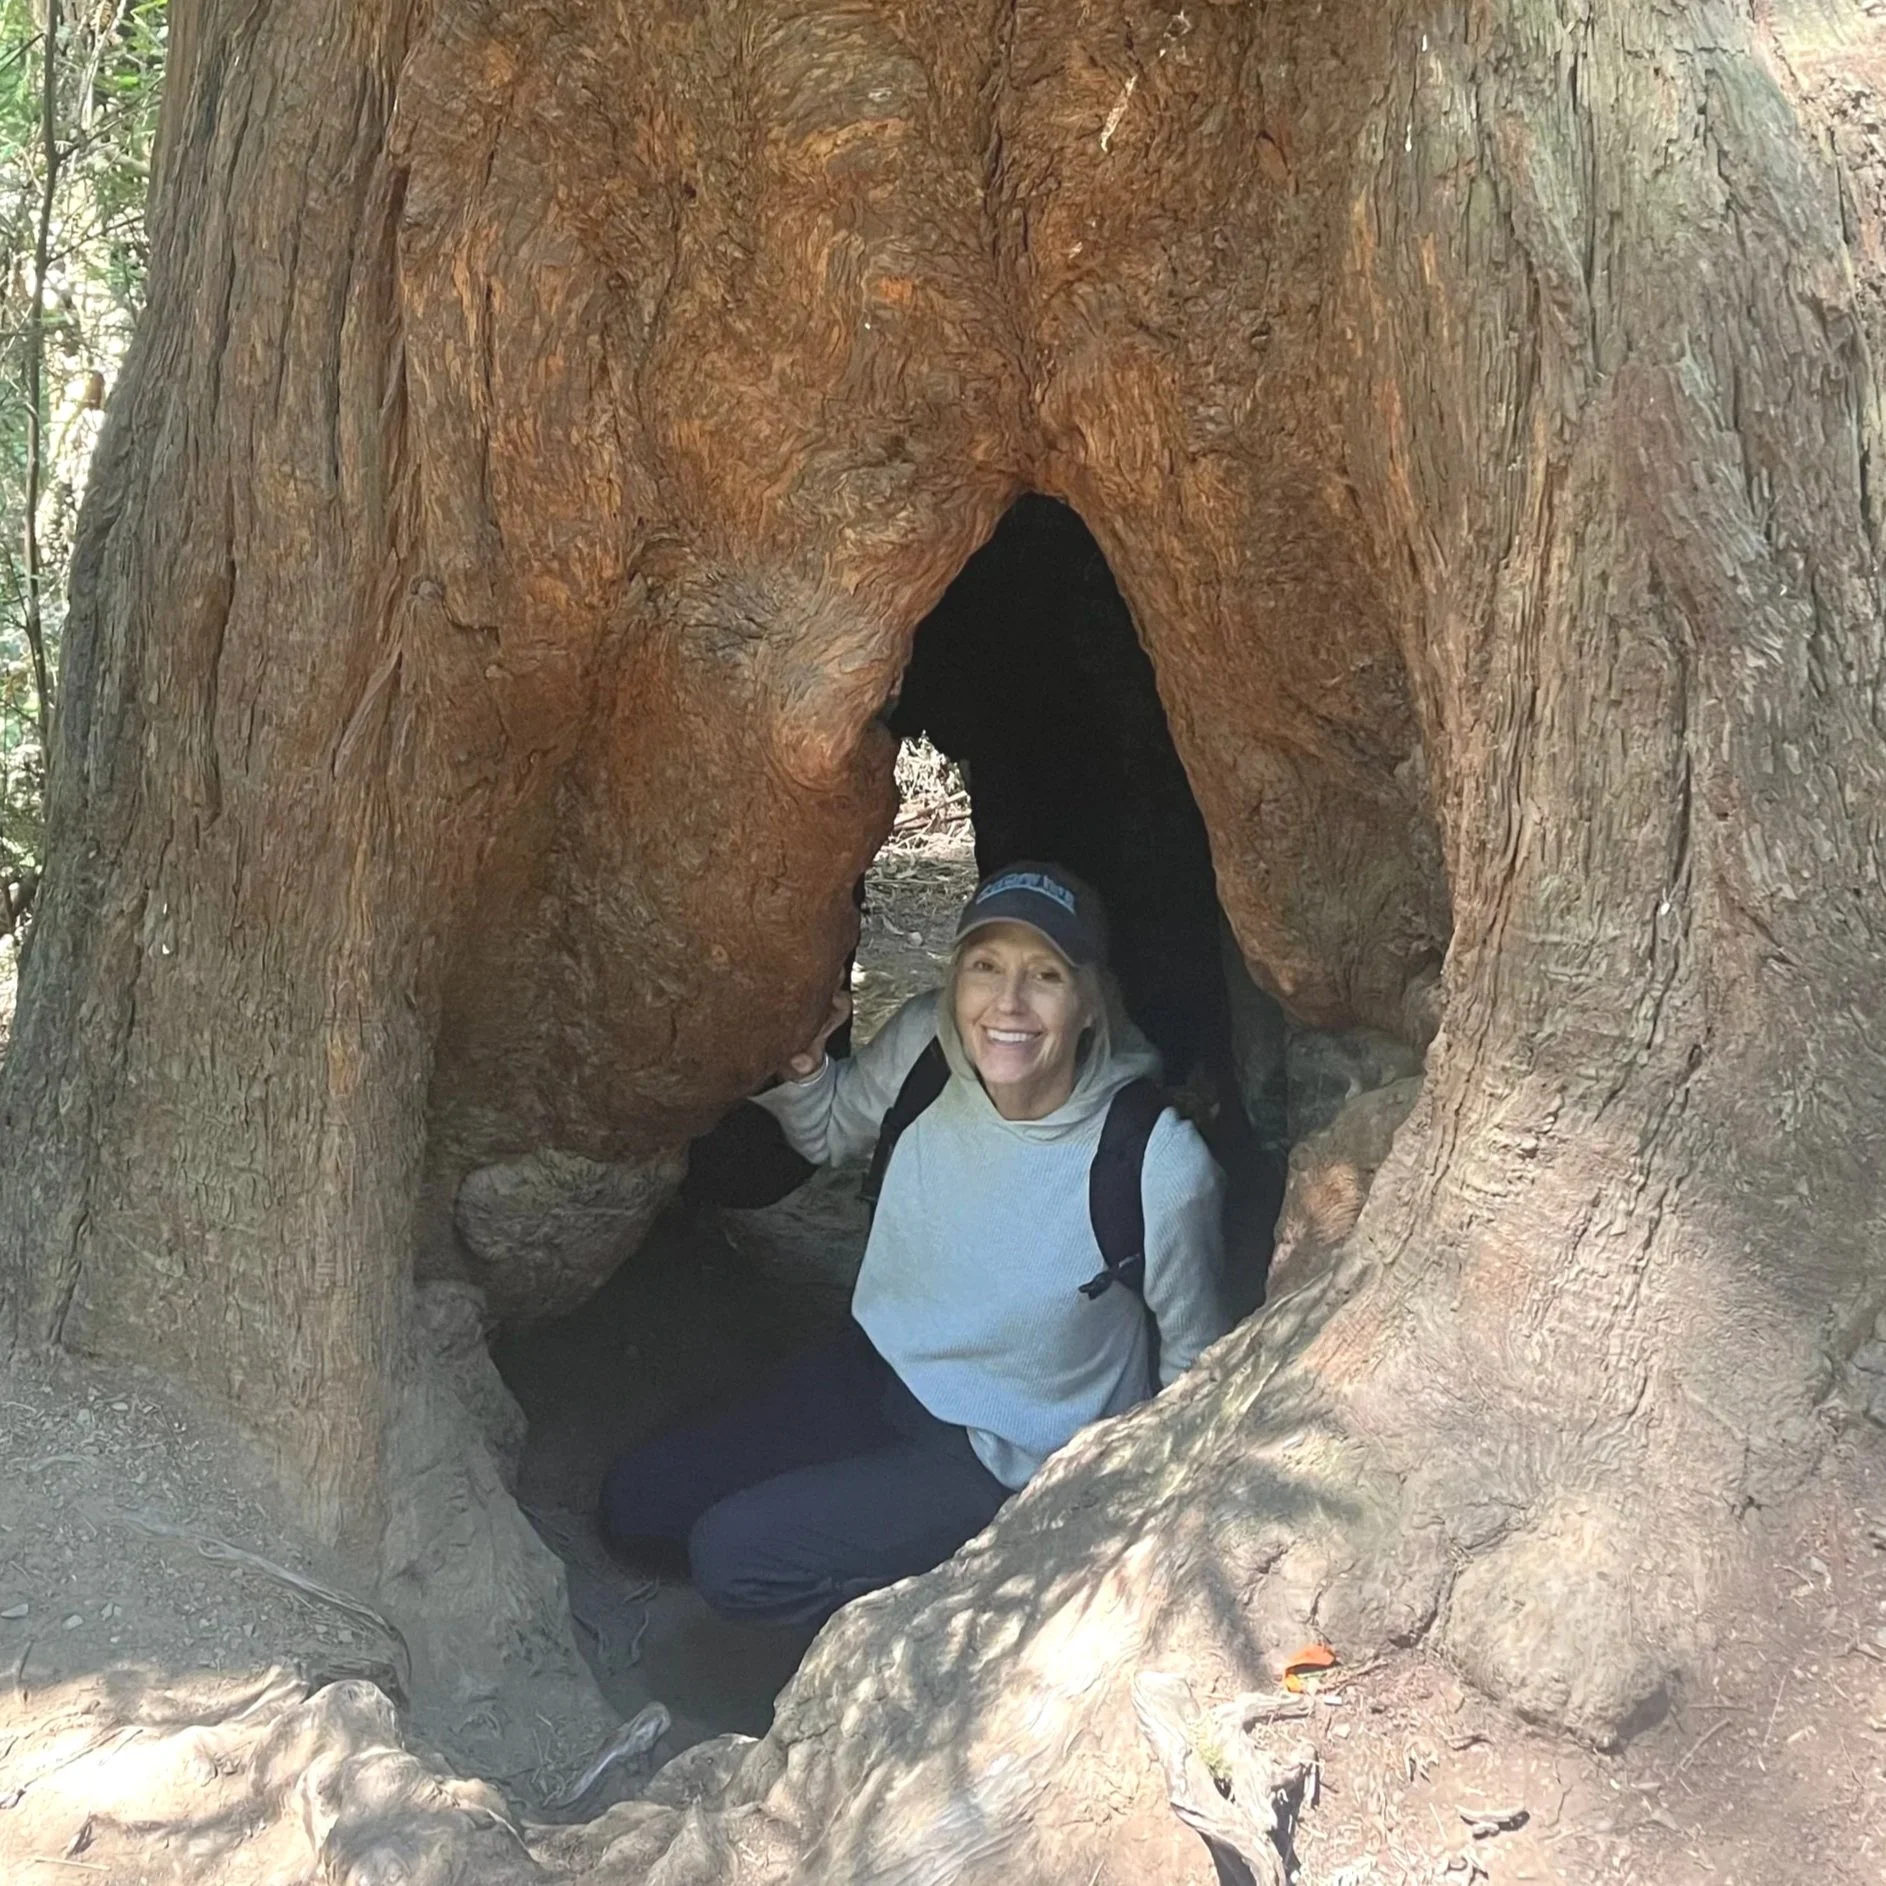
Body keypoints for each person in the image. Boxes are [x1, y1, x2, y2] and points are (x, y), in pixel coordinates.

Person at [598, 862, 1229, 1625]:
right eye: (985, 967)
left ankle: (940, 1618)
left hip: (995, 1454)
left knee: (735, 1560)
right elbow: (831, 1131)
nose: (1008, 1004)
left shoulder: (1153, 1161)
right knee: (637, 1507)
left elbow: (1198, 1369)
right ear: (956, 980)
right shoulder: (927, 1054)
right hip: (877, 1369)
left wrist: (1124, 1526)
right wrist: (803, 1069)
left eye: (1046, 976)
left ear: (1092, 1002)